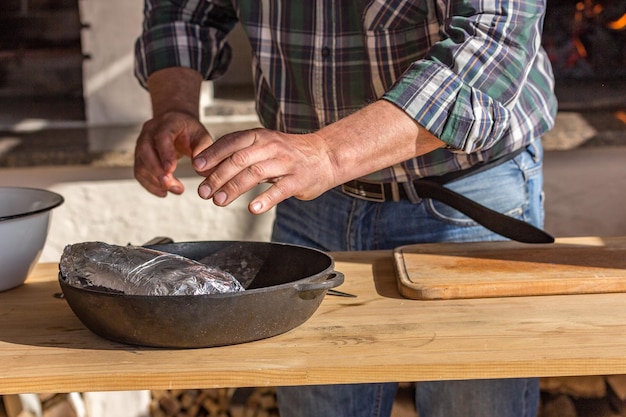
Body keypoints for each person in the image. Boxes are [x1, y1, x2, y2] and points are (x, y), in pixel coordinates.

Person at [133, 1, 557, 416]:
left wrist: (327, 155)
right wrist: (174, 105)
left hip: (465, 199)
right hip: (312, 207)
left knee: (475, 405)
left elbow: (492, 46)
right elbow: (181, 9)